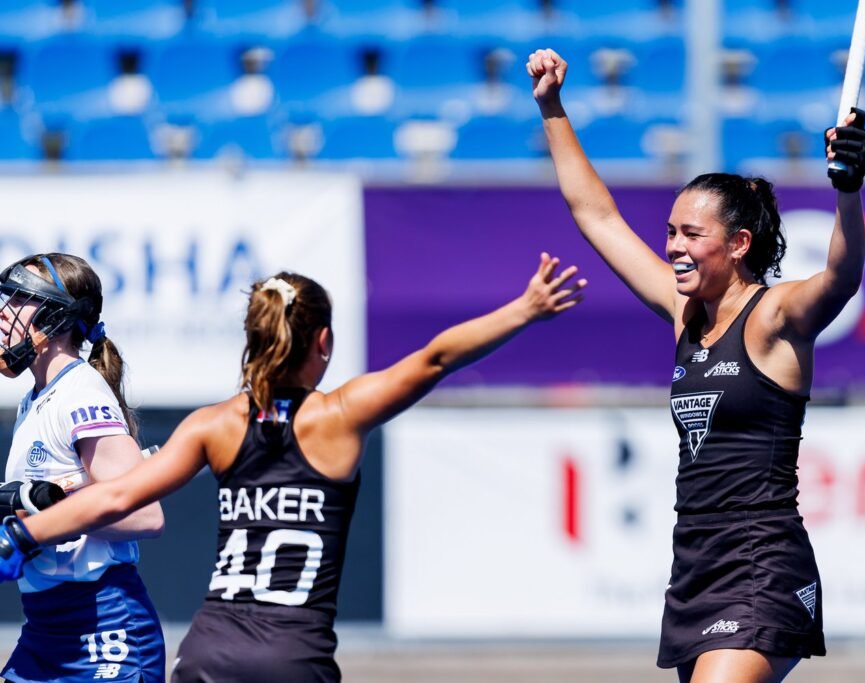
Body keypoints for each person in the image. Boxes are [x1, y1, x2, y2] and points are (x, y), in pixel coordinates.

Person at [0, 253, 587, 682]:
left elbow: (116, 500)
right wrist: (524, 309)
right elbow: (434, 359)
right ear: (323, 342)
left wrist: (24, 531)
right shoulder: (338, 416)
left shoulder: (215, 424)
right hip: (292, 655)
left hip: (207, 652)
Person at [524, 49, 865, 683]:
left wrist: (847, 193)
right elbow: (595, 214)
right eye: (671, 232)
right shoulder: (683, 311)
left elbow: (842, 277)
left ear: (739, 245)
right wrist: (551, 105)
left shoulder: (774, 317)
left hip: (763, 563)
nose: (672, 248)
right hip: (694, 566)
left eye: (691, 235)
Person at [0, 253, 166, 682]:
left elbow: (145, 514)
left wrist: (42, 518)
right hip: (45, 631)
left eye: (18, 299)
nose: (4, 313)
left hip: (105, 630)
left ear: (55, 316)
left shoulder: (79, 392)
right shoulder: (35, 398)